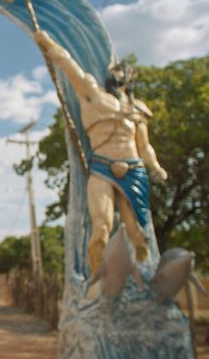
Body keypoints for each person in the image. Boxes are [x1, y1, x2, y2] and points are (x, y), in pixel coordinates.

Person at [35, 31, 168, 276]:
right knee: (101, 229)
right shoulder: (93, 95)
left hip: (133, 169)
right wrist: (47, 42)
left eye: (122, 70)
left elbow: (144, 145)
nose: (117, 73)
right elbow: (68, 65)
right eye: (114, 70)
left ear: (129, 78)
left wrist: (156, 167)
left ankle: (143, 280)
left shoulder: (138, 110)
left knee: (137, 233)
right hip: (102, 168)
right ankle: (96, 281)